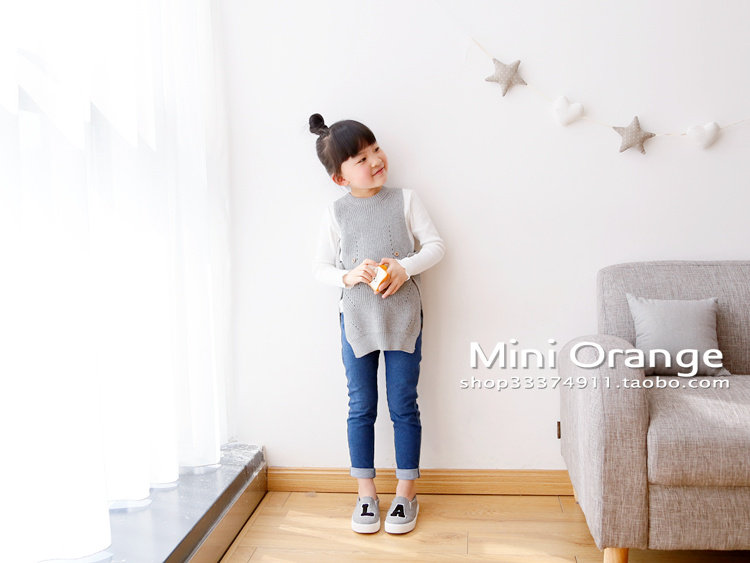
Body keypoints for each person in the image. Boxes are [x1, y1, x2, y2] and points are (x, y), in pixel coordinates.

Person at [309, 113, 445, 534]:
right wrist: (348, 276)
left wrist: (405, 267)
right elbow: (320, 267)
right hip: (357, 321)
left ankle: (406, 492)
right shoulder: (336, 213)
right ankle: (366, 493)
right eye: (361, 159)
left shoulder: (405, 200)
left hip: (403, 317)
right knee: (360, 406)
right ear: (340, 177)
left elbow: (436, 246)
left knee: (403, 404)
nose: (375, 161)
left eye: (375, 150)